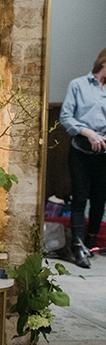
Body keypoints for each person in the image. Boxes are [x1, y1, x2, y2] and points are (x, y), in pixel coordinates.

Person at [60, 47, 106, 269]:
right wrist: (89, 133)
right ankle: (77, 246)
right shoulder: (78, 85)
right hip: (80, 150)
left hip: (104, 153)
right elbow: (66, 117)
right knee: (80, 197)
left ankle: (91, 241)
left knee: (99, 199)